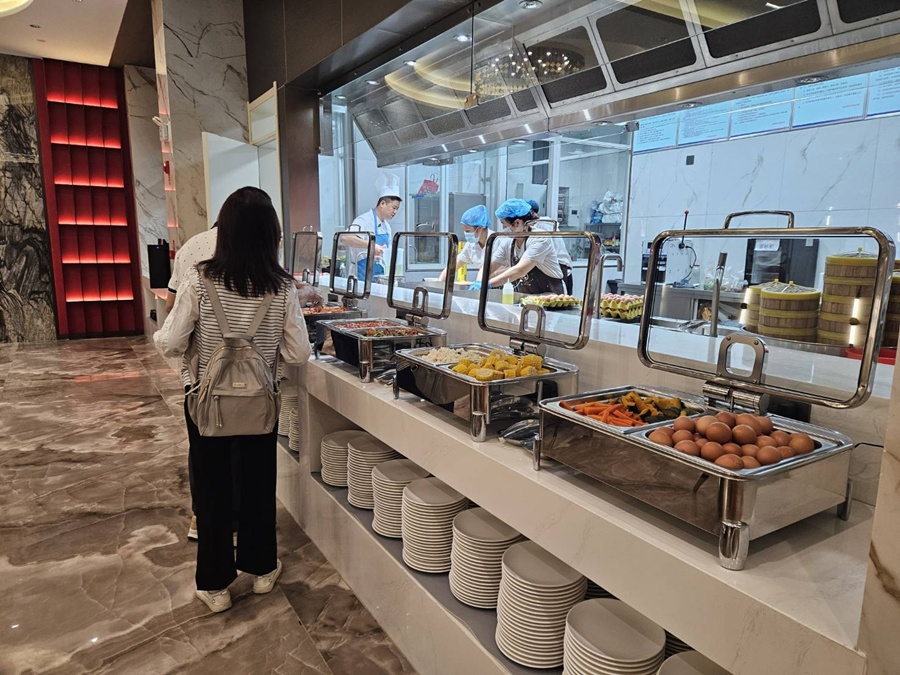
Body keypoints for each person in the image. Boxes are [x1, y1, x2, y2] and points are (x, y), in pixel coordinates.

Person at [155, 186, 311, 613]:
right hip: (260, 404)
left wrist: (179, 345)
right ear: (271, 234)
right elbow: (299, 353)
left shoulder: (199, 280)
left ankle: (215, 585)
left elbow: (170, 343)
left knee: (212, 490)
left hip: (207, 404)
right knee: (259, 485)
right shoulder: (282, 287)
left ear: (223, 231)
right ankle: (262, 569)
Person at [487, 198, 565, 294]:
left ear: (517, 223)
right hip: (528, 298)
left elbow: (520, 270)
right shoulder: (508, 243)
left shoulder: (539, 238)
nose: (503, 228)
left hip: (551, 296)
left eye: (504, 224)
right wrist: (479, 281)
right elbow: (489, 266)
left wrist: (488, 284)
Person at [347, 173, 402, 281]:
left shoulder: (387, 227)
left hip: (379, 278)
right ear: (382, 204)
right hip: (360, 277)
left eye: (397, 209)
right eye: (394, 208)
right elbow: (345, 238)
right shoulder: (364, 220)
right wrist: (371, 246)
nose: (395, 212)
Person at [527, 199, 574, 295]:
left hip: (560, 267)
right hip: (558, 266)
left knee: (561, 300)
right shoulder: (542, 223)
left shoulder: (542, 225)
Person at [438, 204, 490, 283]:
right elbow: (453, 266)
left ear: (479, 228)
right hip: (485, 284)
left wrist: (479, 284)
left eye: (468, 231)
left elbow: (488, 267)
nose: (466, 234)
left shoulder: (497, 241)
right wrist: (439, 282)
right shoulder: (471, 245)